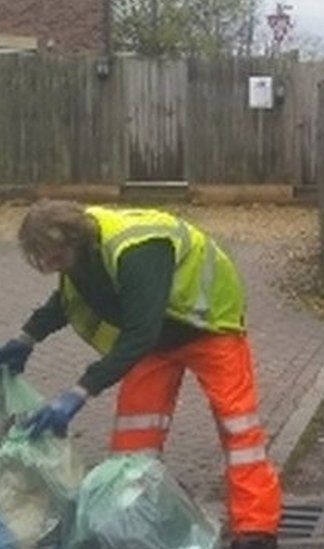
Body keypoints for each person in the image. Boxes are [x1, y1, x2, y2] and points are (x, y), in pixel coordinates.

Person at [0, 200, 281, 549]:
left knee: (238, 429)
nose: (53, 267)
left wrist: (79, 392)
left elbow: (139, 334)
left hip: (208, 325)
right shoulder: (82, 254)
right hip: (157, 338)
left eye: (56, 259)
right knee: (132, 442)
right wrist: (24, 340)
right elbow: (68, 300)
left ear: (74, 240)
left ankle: (255, 529)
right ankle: (138, 522)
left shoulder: (138, 250)